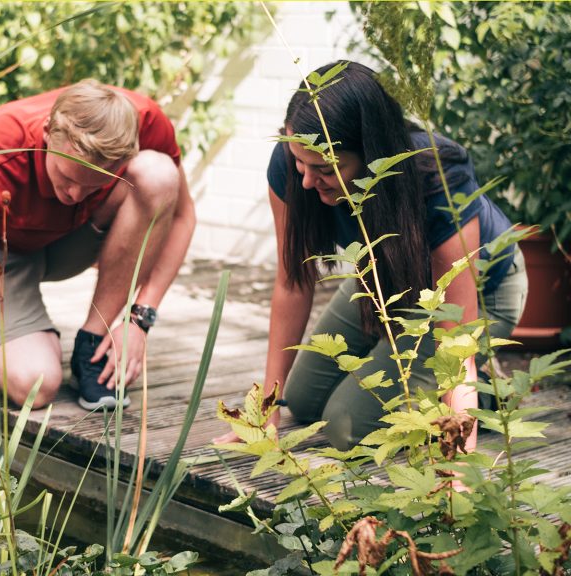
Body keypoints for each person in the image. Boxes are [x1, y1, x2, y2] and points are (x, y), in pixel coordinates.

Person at [216, 61, 527, 451]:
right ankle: (410, 381)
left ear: (371, 153)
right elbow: (291, 283)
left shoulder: (436, 176)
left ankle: (483, 396)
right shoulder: (292, 166)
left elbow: (455, 339)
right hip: (386, 277)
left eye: (326, 169)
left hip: (479, 295)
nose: (308, 181)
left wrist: (456, 471)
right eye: (300, 164)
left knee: (345, 427)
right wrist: (267, 410)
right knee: (305, 400)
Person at [0, 79, 195, 445]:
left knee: (158, 175)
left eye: (93, 184)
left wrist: (140, 318)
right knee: (35, 385)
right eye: (66, 176)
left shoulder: (145, 122)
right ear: (48, 133)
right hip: (1, 251)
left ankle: (91, 345)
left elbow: (182, 218)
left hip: (77, 237)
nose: (75, 193)